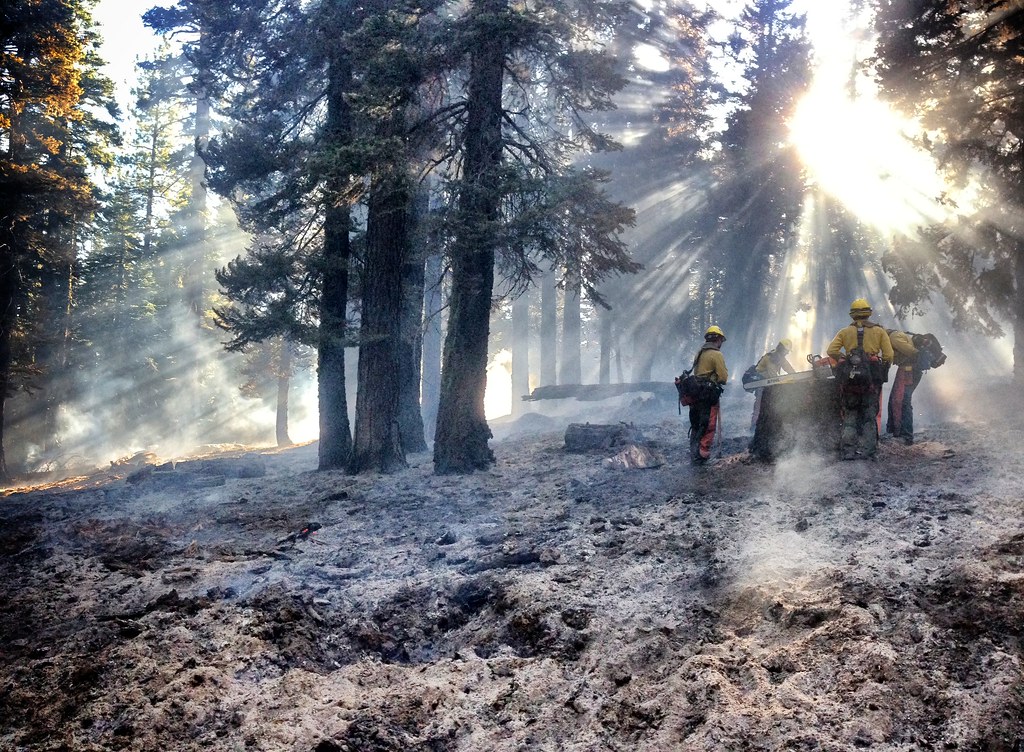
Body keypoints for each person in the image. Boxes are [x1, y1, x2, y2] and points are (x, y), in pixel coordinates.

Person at [826, 299, 893, 460]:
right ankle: (868, 451)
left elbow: (831, 350)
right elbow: (889, 355)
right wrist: (882, 370)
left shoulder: (845, 332)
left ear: (852, 315)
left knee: (850, 416)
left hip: (850, 382)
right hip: (871, 381)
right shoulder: (879, 331)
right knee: (869, 417)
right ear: (869, 313)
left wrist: (845, 358)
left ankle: (848, 451)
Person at [886, 330, 944, 445]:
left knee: (902, 401)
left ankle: (906, 436)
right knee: (899, 400)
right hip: (909, 370)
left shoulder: (894, 338)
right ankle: (900, 433)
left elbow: (912, 352)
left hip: (908, 370)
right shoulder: (896, 335)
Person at [688, 325, 728, 465]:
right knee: (709, 424)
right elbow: (723, 377)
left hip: (696, 393)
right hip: (708, 395)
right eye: (721, 340)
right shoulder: (717, 355)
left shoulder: (700, 353)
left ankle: (694, 450)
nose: (721, 343)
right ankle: (702, 453)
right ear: (717, 339)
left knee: (696, 423)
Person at [750, 339, 796, 431]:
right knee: (759, 406)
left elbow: (790, 370)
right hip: (761, 383)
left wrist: (794, 377)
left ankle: (766, 426)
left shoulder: (780, 358)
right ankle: (753, 427)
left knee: (770, 405)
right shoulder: (771, 357)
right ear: (782, 349)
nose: (787, 353)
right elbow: (772, 377)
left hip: (768, 384)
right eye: (787, 351)